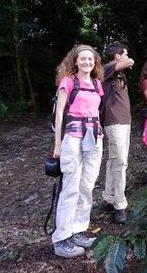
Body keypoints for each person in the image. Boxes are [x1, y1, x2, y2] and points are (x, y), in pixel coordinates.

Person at [52, 44, 104, 258]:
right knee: (71, 186)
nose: (87, 62)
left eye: (90, 60)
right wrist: (57, 143)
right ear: (75, 61)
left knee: (87, 186)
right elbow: (59, 113)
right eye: (83, 59)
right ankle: (61, 239)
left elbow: (97, 112)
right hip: (73, 138)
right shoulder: (67, 82)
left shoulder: (97, 84)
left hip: (95, 138)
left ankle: (78, 230)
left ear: (94, 63)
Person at [100, 42, 134, 224]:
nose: (128, 56)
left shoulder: (118, 73)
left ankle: (108, 197)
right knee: (120, 163)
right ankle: (120, 206)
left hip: (123, 122)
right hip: (114, 122)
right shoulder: (107, 68)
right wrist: (128, 59)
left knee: (114, 160)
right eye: (125, 53)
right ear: (118, 56)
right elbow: (129, 62)